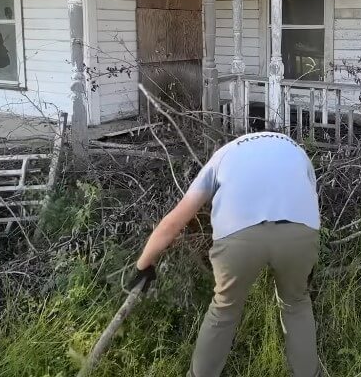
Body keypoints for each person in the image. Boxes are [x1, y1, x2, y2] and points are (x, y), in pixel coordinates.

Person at [132, 131, 322, 377]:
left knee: (224, 309)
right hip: (299, 233)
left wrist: (143, 266)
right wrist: (307, 266)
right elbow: (311, 208)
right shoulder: (298, 152)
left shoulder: (222, 157)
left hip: (237, 234)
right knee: (296, 304)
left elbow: (173, 222)